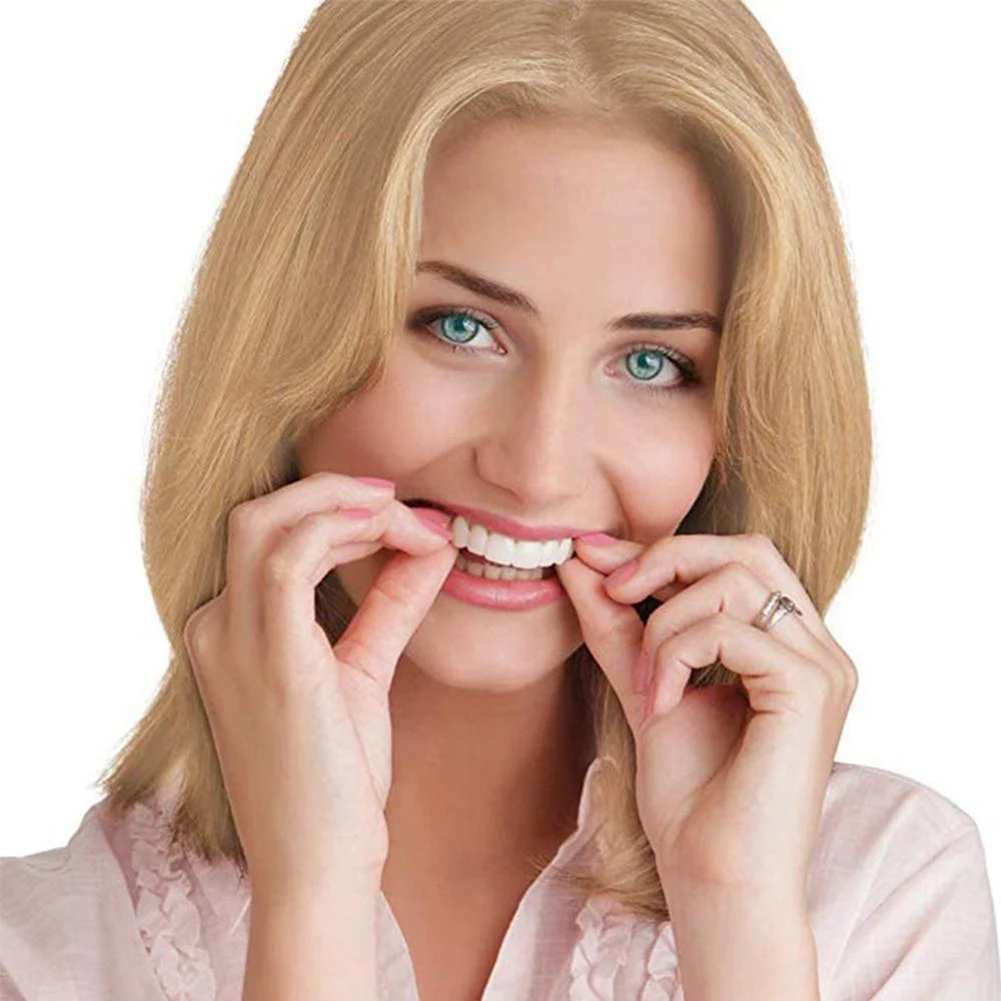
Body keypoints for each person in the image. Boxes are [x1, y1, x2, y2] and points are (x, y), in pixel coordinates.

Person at [2, 1, 998, 999]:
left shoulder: (885, 894)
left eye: (649, 361)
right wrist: (312, 894)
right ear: (286, 328)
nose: (537, 467)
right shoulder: (36, 954)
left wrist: (735, 914)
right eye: (460, 326)